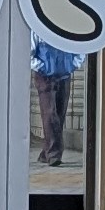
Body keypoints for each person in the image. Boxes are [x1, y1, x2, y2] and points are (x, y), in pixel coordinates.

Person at [32, 37, 80, 168]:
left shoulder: (68, 28)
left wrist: (73, 64)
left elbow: (80, 46)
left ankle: (45, 153)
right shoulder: (38, 31)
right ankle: (54, 154)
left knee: (59, 113)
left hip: (64, 74)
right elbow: (29, 49)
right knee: (50, 113)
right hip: (45, 76)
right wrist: (40, 67)